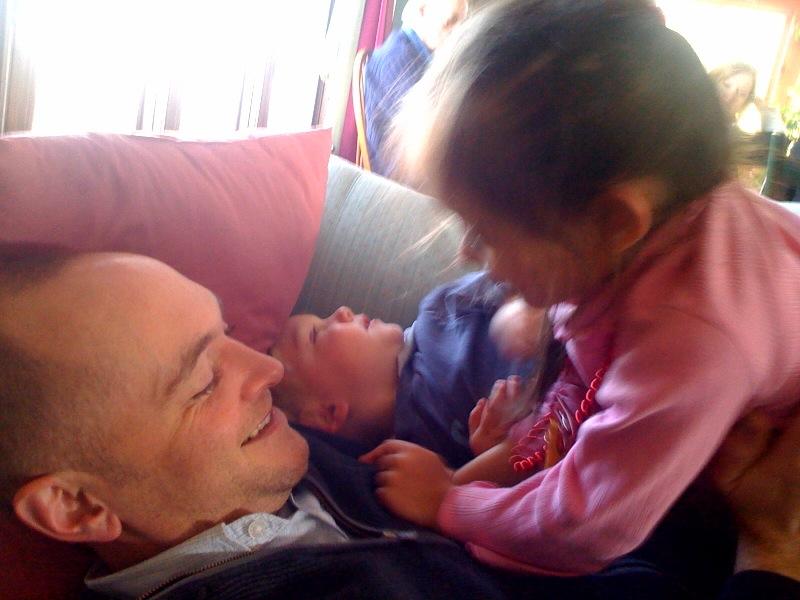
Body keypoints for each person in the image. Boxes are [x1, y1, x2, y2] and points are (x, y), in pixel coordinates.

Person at [0, 244, 798, 599]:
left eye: (228, 335)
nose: (268, 371)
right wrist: (772, 552)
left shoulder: (283, 456)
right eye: (203, 379)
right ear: (76, 505)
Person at [365, 0, 800, 579]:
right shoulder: (640, 241)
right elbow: (577, 403)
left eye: (485, 231)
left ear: (614, 223)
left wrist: (448, 504)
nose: (467, 253)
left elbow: (587, 521)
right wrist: (466, 477)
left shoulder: (692, 334)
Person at [270, 271, 538, 467]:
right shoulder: (407, 463)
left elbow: (517, 270)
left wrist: (521, 308)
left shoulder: (440, 314)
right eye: (316, 334)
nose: (342, 311)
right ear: (326, 414)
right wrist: (490, 455)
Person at [364, 0, 468, 176]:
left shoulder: (422, 58)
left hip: (422, 169)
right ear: (422, 11)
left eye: (462, 23)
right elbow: (435, 143)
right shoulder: (396, 61)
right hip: (399, 181)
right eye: (449, 22)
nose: (458, 33)